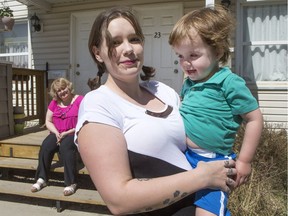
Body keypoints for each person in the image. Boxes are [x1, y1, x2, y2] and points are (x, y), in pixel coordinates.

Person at [75, 6, 237, 216]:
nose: (129, 49)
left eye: (134, 39)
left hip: (205, 204)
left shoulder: (163, 91)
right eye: (115, 42)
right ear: (98, 53)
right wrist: (204, 177)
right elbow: (119, 200)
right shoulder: (98, 105)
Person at [169, 5, 263, 216]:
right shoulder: (189, 83)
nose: (185, 63)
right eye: (180, 56)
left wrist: (245, 161)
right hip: (185, 157)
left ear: (218, 51)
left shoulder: (229, 82)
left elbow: (255, 119)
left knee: (207, 212)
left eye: (193, 55)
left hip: (215, 163)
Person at [31, 78, 84, 196]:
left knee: (66, 147)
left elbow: (84, 121)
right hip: (57, 133)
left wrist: (67, 133)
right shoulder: (54, 102)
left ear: (69, 87)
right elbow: (48, 120)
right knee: (46, 146)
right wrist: (56, 132)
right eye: (59, 90)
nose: (62, 92)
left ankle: (71, 183)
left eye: (64, 88)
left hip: (73, 133)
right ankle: (42, 178)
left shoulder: (80, 100)